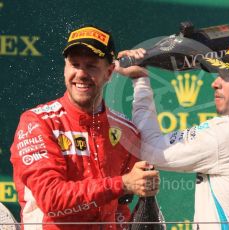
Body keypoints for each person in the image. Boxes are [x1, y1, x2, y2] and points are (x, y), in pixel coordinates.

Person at [115, 40, 229, 230]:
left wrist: (140, 80)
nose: (215, 83)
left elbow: (149, 150)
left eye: (228, 76)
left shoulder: (226, 133)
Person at [10, 25, 159, 230]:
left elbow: (120, 206)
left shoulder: (125, 131)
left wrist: (140, 79)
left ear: (108, 72)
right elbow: (50, 198)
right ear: (65, 69)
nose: (81, 74)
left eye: (91, 66)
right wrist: (122, 183)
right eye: (74, 64)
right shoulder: (38, 122)